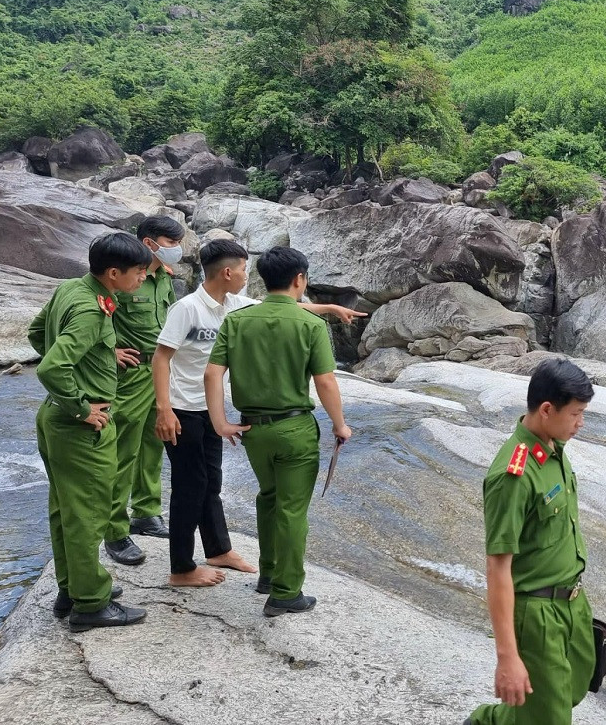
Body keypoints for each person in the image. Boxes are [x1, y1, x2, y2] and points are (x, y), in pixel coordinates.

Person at [154, 239, 366, 589]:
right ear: (227, 272)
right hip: (183, 409)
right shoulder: (187, 308)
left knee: (214, 484)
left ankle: (219, 550)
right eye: (242, 269)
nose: (245, 275)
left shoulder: (235, 309)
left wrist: (330, 307)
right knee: (190, 487)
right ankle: (184, 567)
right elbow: (161, 358)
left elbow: (284, 306)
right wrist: (164, 409)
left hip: (215, 412)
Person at [205, 246, 352, 616]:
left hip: (253, 430)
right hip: (294, 429)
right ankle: (286, 592)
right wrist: (340, 425)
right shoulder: (310, 324)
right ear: (299, 279)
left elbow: (212, 373)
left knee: (269, 497)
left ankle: (268, 574)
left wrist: (219, 422)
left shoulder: (237, 321)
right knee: (292, 510)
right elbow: (326, 381)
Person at [28, 232, 152, 632]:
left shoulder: (71, 289)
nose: (143, 279)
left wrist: (99, 352)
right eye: (138, 272)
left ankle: (71, 587)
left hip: (53, 419)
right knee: (88, 514)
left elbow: (36, 333)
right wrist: (82, 407)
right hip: (79, 427)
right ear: (113, 273)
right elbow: (51, 368)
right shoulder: (90, 310)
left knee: (65, 508)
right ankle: (91, 603)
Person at [464, 358, 597, 725]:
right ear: (547, 410)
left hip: (572, 602)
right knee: (549, 715)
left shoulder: (553, 447)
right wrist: (507, 656)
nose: (580, 423)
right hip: (538, 615)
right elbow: (498, 567)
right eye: (576, 414)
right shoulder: (513, 475)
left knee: (571, 690)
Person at [103, 215, 184, 566]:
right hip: (132, 374)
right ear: (149, 242)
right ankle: (114, 529)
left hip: (161, 370)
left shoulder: (163, 277)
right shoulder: (123, 276)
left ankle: (146, 512)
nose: (177, 250)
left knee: (154, 442)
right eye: (171, 243)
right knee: (123, 450)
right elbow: (97, 316)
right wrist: (110, 350)